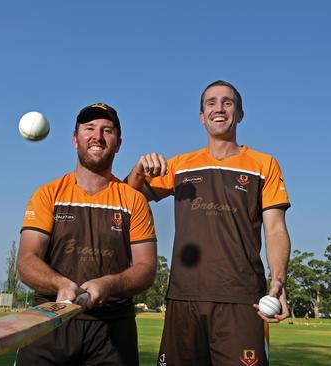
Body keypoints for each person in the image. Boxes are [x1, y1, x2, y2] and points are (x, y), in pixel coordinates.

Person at [126, 80, 291, 366]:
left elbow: (275, 228)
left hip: (242, 297)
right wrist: (138, 172)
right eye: (211, 102)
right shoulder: (180, 165)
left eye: (228, 102)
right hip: (183, 297)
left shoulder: (263, 164)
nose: (219, 108)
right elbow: (130, 199)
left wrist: (278, 278)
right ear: (202, 116)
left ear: (239, 114)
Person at [15, 103, 158, 366]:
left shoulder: (134, 201)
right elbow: (26, 260)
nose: (97, 136)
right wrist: (60, 284)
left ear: (118, 143)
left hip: (112, 330)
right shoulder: (47, 194)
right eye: (89, 128)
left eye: (107, 130)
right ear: (74, 139)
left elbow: (146, 267)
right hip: (49, 321)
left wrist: (109, 284)